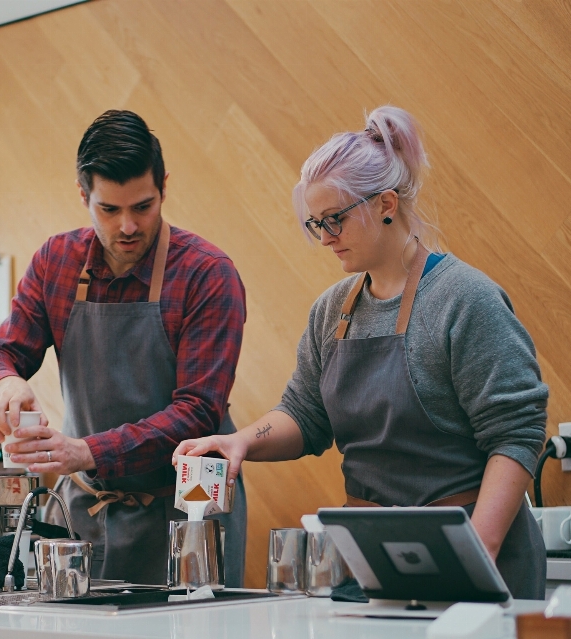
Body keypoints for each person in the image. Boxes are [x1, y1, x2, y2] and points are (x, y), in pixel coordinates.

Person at [173, 106, 548, 599]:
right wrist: (241, 441)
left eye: (335, 220)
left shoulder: (465, 300)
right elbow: (305, 414)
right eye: (314, 224)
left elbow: (517, 432)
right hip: (376, 558)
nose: (325, 237)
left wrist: (479, 547)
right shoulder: (332, 311)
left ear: (387, 203)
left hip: (475, 560)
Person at [0, 110, 248, 586]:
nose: (127, 226)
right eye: (109, 209)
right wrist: (4, 383)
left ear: (163, 186)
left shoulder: (208, 274)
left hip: (191, 511)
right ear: (84, 196)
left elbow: (198, 411)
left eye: (142, 207)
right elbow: (0, 355)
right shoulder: (55, 263)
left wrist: (86, 451)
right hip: (85, 513)